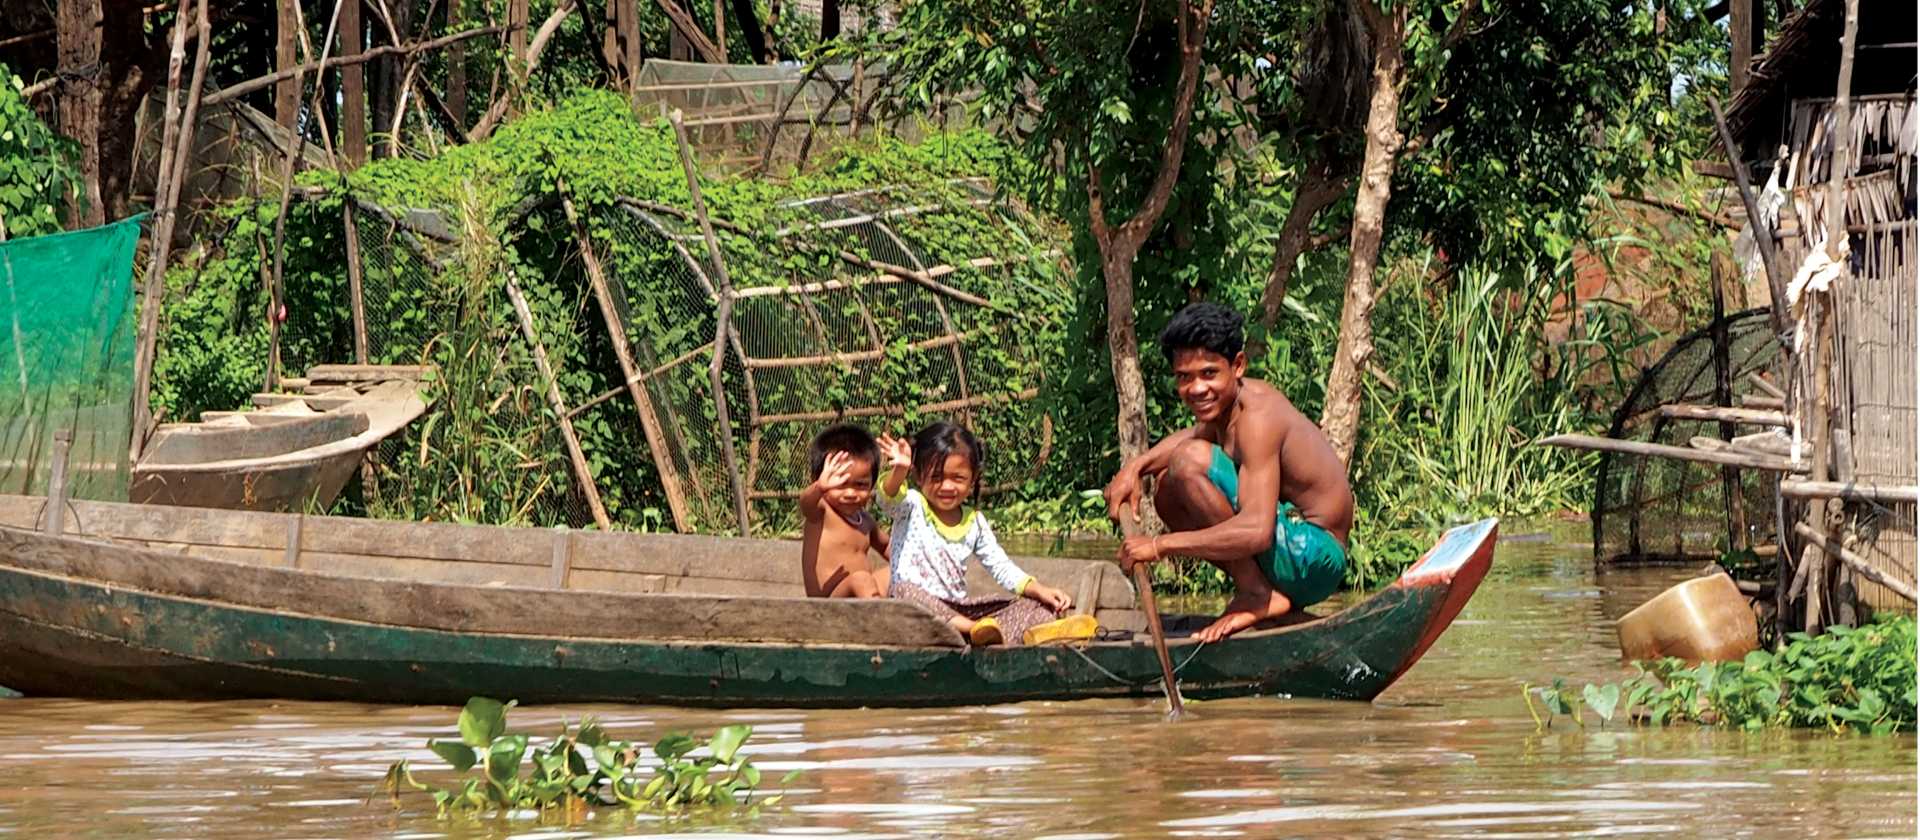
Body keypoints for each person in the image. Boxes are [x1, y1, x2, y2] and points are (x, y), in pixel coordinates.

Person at [1104, 302, 1355, 642]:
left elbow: (1256, 531)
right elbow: (1192, 435)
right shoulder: (1227, 407)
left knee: (1187, 462)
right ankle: (1266, 599)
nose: (1196, 389)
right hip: (1291, 554)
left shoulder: (1258, 417)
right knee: (1167, 488)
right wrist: (1135, 469)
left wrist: (1159, 545)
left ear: (1237, 366)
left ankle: (1256, 593)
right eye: (1184, 377)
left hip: (1314, 556)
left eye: (1209, 373)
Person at [879, 421, 1078, 645]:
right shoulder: (911, 505)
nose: (947, 487)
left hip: (958, 610)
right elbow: (887, 499)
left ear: (972, 478)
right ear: (917, 476)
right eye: (936, 477)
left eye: (958, 478)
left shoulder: (976, 522)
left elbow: (1001, 567)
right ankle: (973, 630)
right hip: (916, 613)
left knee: (1033, 605)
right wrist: (899, 470)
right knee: (902, 590)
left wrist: (1039, 590)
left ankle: (1032, 629)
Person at [798, 424, 889, 599]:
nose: (850, 493)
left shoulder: (866, 521)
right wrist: (819, 488)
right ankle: (882, 618)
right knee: (861, 580)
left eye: (860, 485)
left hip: (864, 597)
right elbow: (805, 504)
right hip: (829, 601)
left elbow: (887, 546)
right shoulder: (821, 511)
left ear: (872, 483)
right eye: (839, 484)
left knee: (897, 573)